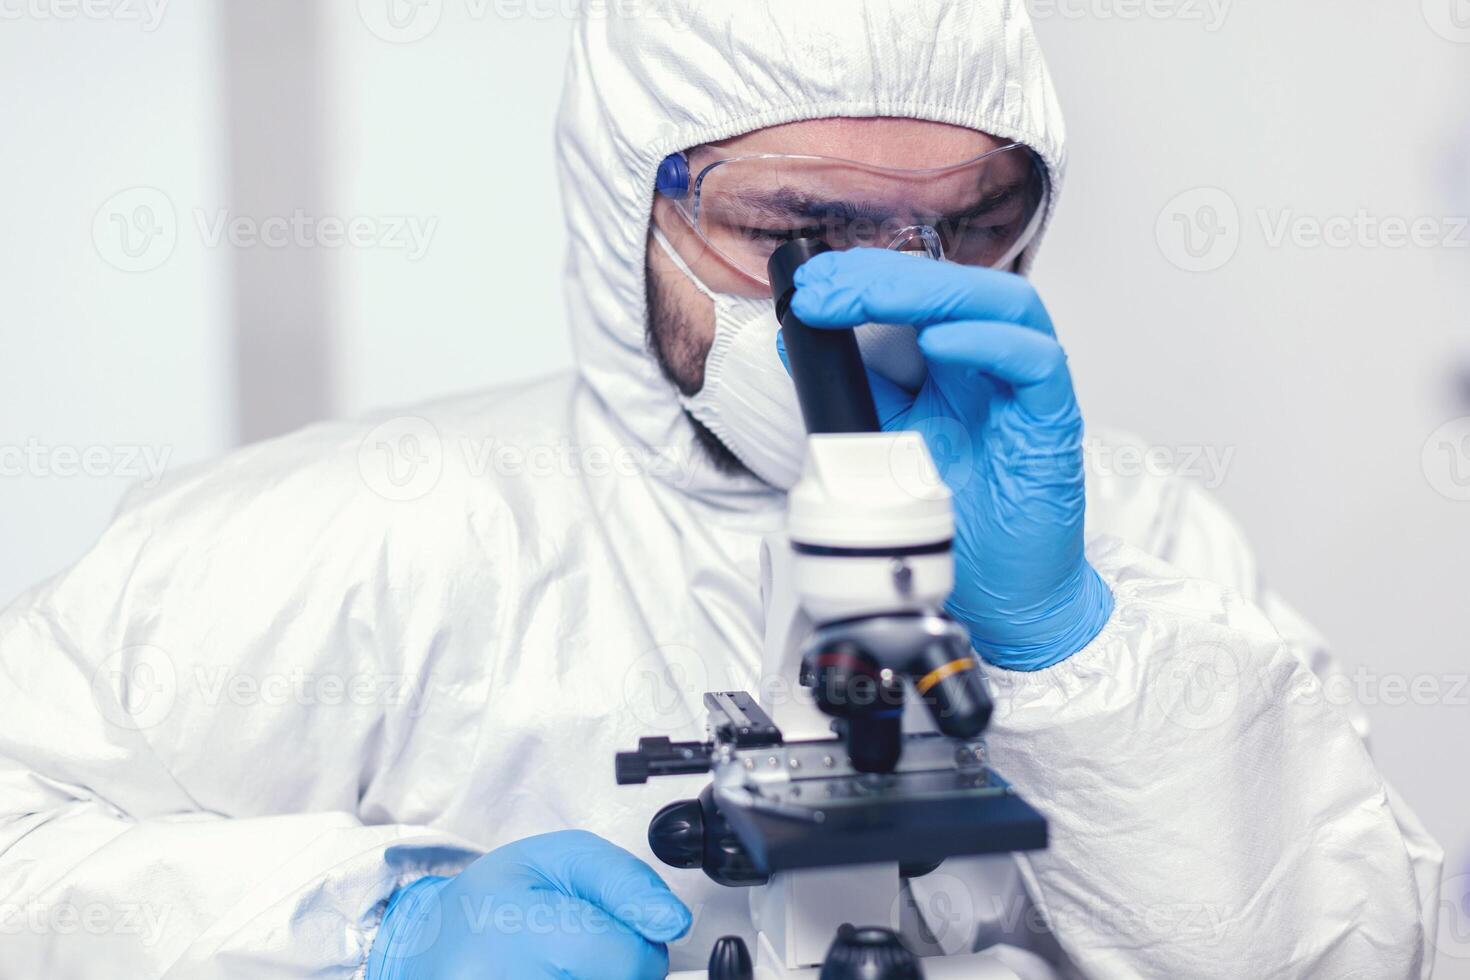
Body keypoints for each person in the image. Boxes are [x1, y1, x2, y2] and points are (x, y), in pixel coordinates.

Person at [0, 1, 1441, 978]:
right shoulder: (361, 531)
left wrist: (1070, 643)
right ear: (627, 202)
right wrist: (354, 932)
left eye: (966, 227)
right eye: (801, 234)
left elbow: (1345, 954)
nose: (884, 298)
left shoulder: (1129, 534)